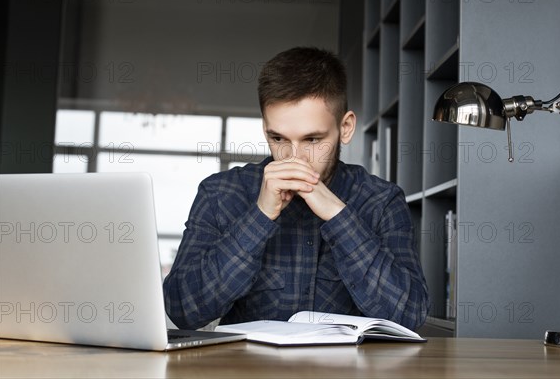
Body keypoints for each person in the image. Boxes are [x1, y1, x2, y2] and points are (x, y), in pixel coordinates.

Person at [163, 47, 429, 331]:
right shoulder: (220, 194)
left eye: (313, 140)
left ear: (346, 127)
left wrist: (340, 217)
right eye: (278, 138)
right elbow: (183, 311)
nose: (294, 158)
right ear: (266, 129)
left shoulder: (381, 201)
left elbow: (409, 316)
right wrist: (260, 216)